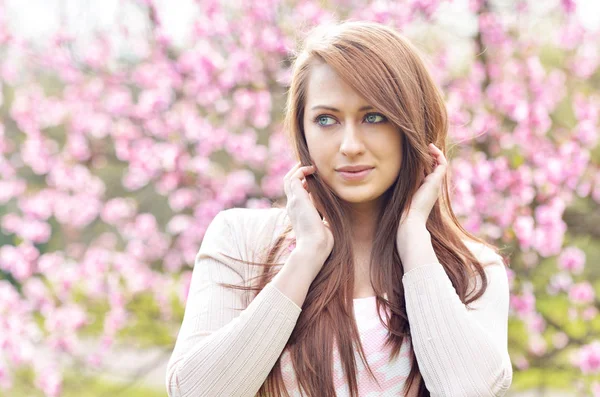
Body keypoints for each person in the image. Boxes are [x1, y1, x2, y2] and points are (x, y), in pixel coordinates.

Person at [166, 20, 513, 397]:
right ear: (303, 131)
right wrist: (307, 256)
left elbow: (469, 390)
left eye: (373, 117)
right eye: (326, 119)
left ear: (412, 125)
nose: (349, 145)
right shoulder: (242, 239)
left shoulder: (470, 268)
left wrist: (414, 240)